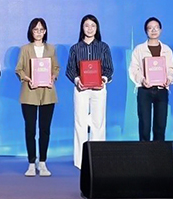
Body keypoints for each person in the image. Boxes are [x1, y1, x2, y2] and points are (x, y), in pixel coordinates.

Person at [65, 14, 113, 169]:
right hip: (81, 90)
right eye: (87, 25)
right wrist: (77, 80)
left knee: (98, 123)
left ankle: (98, 159)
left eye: (93, 25)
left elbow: (109, 69)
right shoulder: (75, 48)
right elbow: (70, 70)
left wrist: (103, 80)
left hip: (99, 90)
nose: (90, 29)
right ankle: (80, 161)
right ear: (82, 28)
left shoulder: (103, 47)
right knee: (80, 123)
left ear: (97, 28)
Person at [15, 18, 59, 177]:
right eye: (36, 30)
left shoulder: (51, 49)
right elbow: (19, 69)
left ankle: (43, 162)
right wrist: (27, 79)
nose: (39, 33)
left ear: (45, 31)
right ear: (31, 31)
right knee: (30, 129)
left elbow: (56, 67)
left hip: (48, 93)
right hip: (29, 93)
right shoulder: (25, 49)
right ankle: (31, 163)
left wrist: (53, 76)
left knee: (45, 129)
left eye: (41, 30)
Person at [129, 17, 173, 142]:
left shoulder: (167, 50)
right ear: (146, 31)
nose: (153, 30)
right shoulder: (139, 49)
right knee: (144, 126)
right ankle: (144, 153)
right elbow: (133, 69)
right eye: (150, 28)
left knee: (160, 126)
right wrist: (141, 79)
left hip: (162, 90)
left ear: (161, 30)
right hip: (144, 90)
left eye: (156, 28)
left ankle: (158, 153)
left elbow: (172, 69)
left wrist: (169, 78)